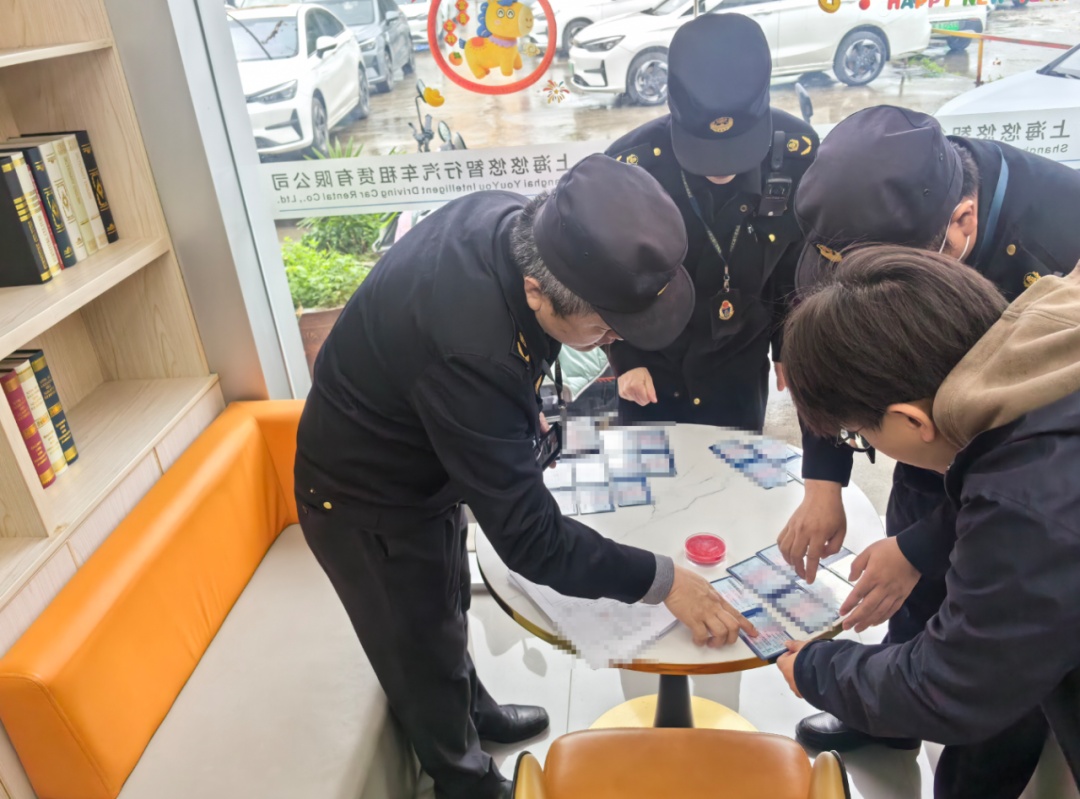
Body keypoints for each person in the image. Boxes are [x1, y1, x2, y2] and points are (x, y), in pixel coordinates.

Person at [294, 154, 755, 799]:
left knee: (447, 603)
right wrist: (664, 581)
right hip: (365, 496)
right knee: (417, 641)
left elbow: (498, 370)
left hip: (426, 455)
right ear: (537, 292)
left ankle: (474, 712)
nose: (610, 340)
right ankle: (465, 781)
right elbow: (532, 541)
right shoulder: (470, 348)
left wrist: (512, 410)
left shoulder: (522, 227)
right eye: (603, 327)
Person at [777, 106, 1080, 762]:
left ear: (961, 224)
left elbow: (969, 678)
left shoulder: (1061, 235)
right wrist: (825, 481)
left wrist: (818, 669)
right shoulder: (878, 201)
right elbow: (843, 365)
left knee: (1001, 683)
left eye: (860, 432)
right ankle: (886, 714)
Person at [605, 12, 817, 432]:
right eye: (704, 152)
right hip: (653, 367)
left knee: (736, 469)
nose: (722, 169)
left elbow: (793, 261)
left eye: (738, 150)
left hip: (740, 363)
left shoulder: (796, 156)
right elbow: (612, 272)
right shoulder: (634, 166)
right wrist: (626, 358)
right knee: (654, 472)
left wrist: (788, 343)